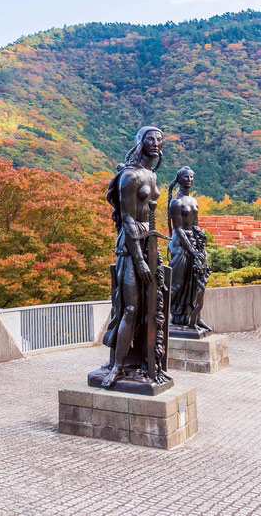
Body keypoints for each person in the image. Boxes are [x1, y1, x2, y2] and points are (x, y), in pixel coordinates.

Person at [98, 126, 170, 389]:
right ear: (139, 143)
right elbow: (127, 218)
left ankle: (146, 363)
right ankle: (116, 365)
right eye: (150, 139)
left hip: (149, 241)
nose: (156, 143)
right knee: (130, 308)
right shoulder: (129, 176)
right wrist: (139, 259)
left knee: (152, 307)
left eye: (159, 139)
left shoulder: (151, 174)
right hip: (131, 247)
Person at [167, 166, 211, 334]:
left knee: (194, 285)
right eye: (186, 177)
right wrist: (191, 250)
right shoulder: (175, 202)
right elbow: (177, 229)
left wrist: (200, 245)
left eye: (192, 177)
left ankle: (192, 318)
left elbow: (195, 226)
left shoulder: (194, 201)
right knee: (176, 284)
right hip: (180, 247)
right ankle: (161, 319)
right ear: (179, 179)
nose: (190, 180)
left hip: (193, 243)